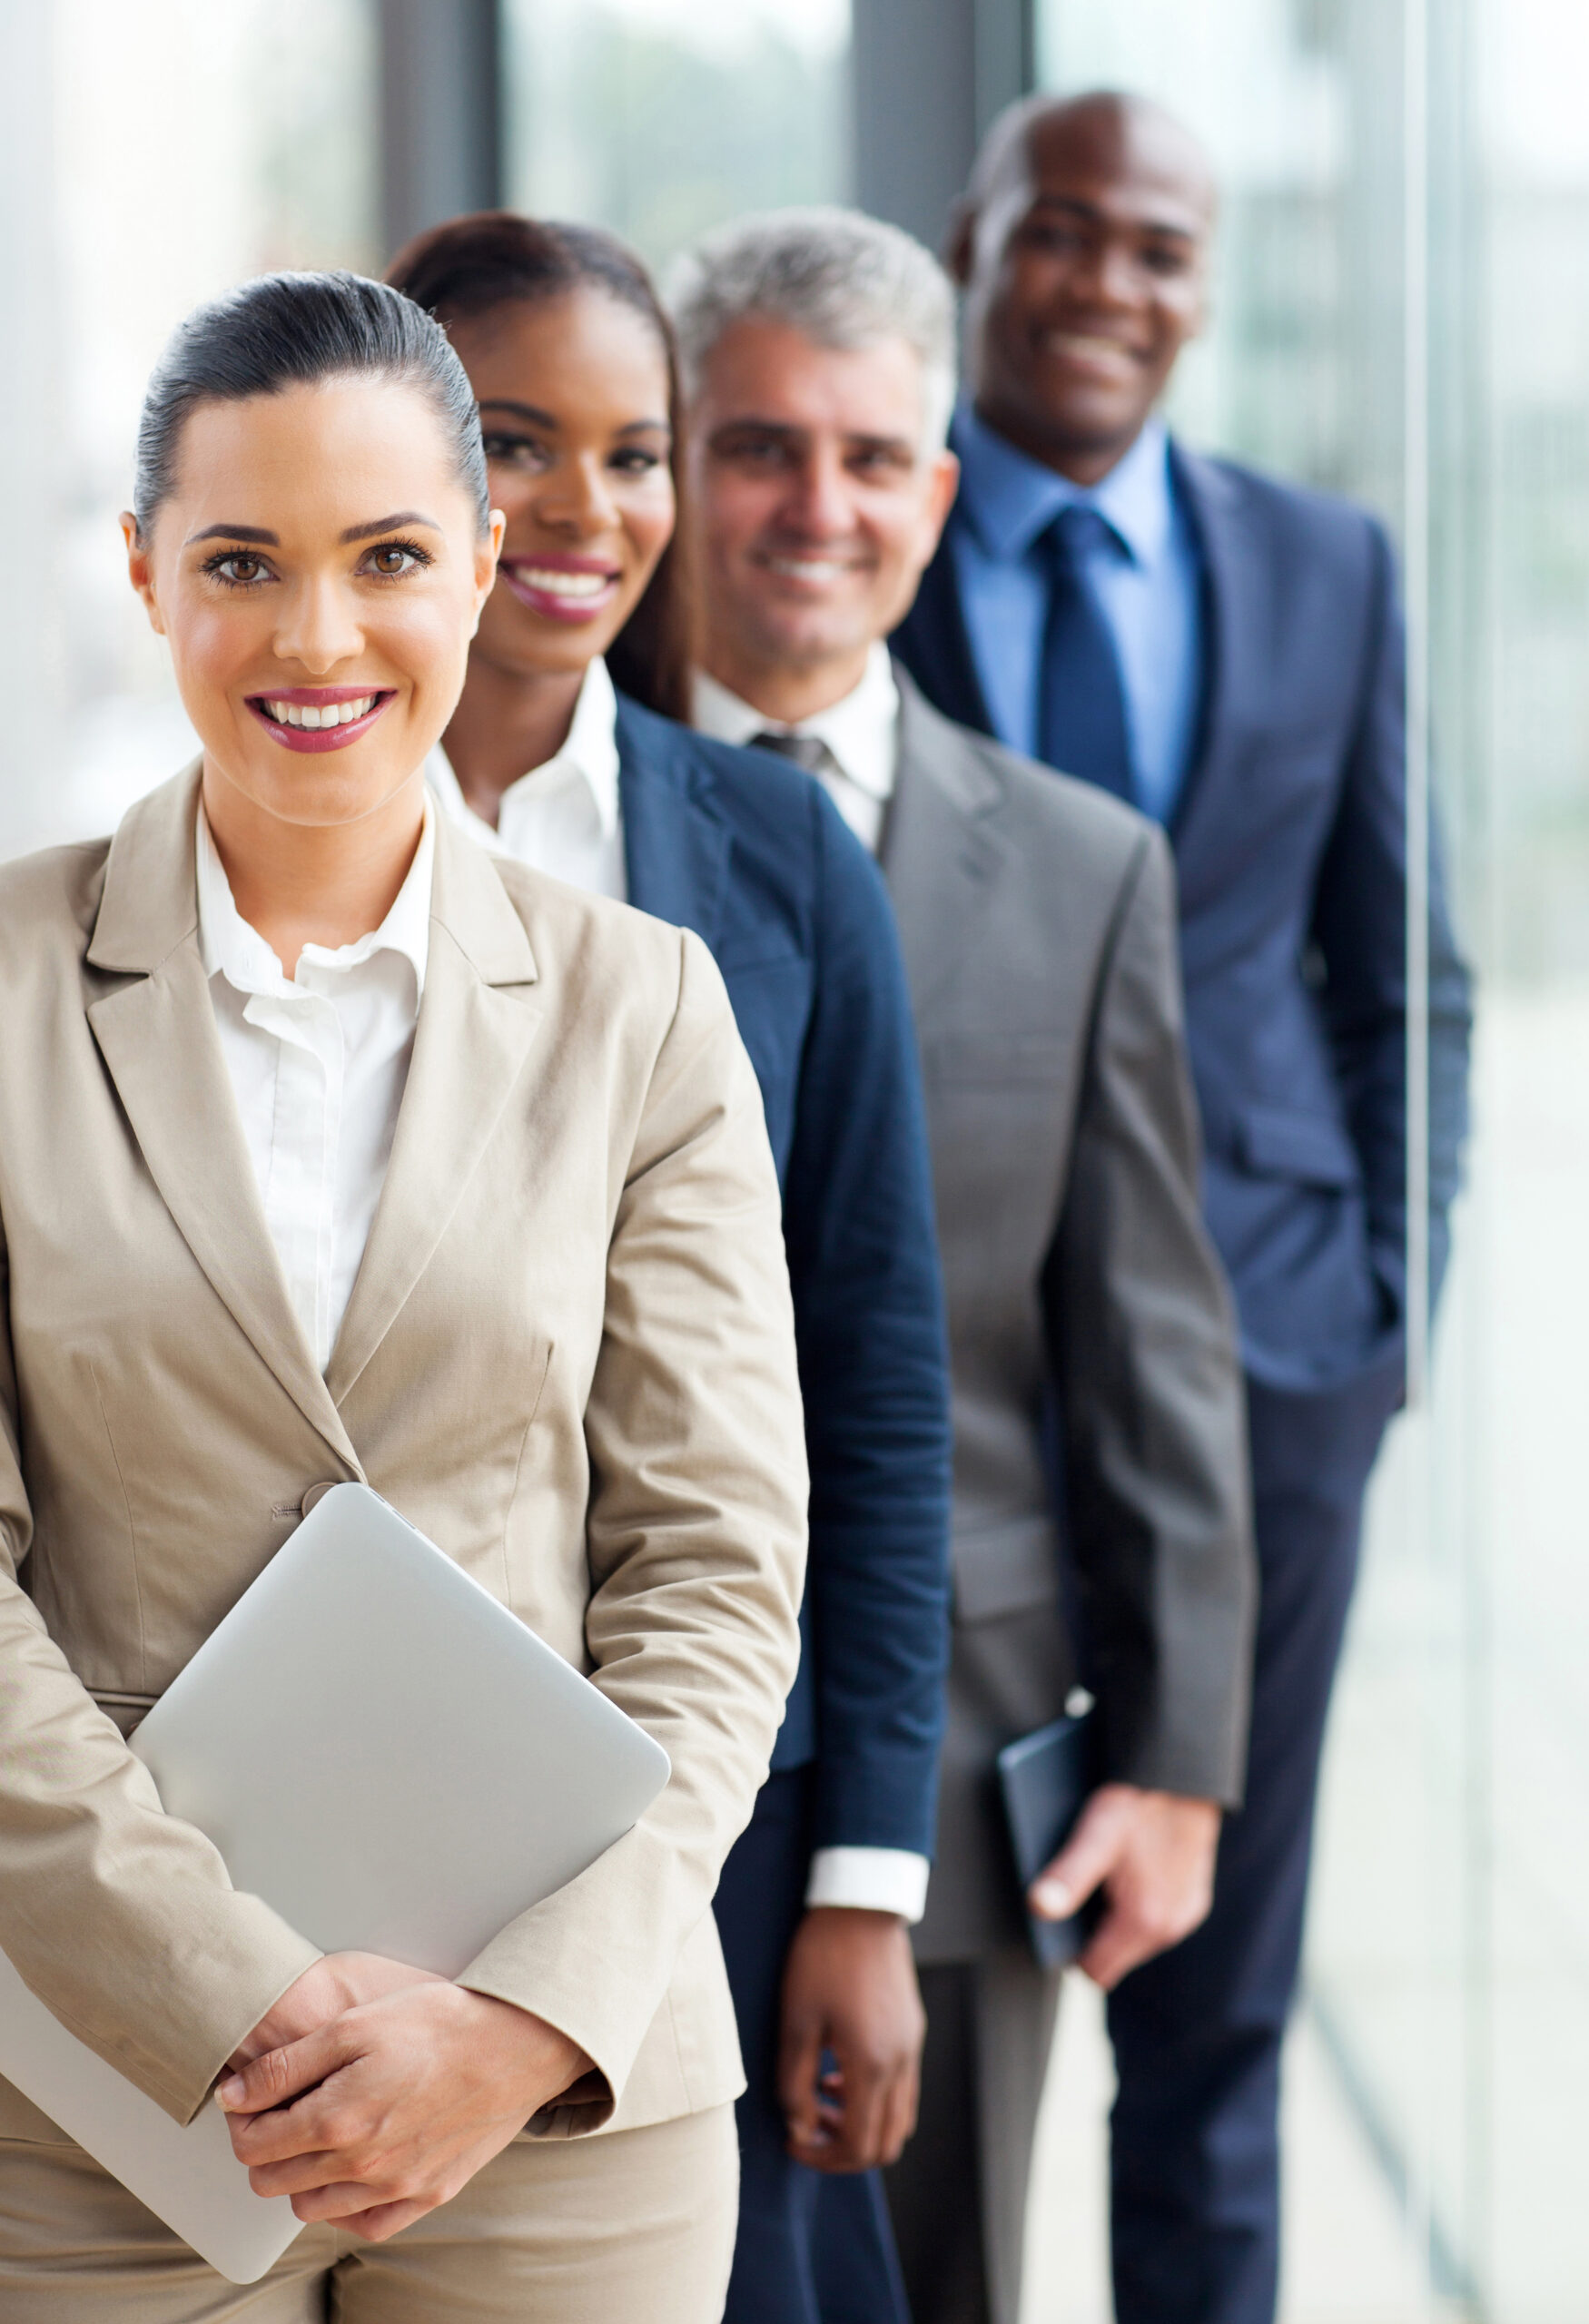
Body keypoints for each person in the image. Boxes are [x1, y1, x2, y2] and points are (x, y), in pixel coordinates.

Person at [0, 269, 812, 2323]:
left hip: (557, 2094)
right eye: (241, 560)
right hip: (91, 2088)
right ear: (145, 572)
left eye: (389, 558)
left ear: (487, 568)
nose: (316, 637)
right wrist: (227, 1990)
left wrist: (509, 2024)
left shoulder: (643, 1006)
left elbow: (714, 1573)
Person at [891, 93, 1474, 2324]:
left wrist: (1382, 1308)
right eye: (1062, 234)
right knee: (928, 2006)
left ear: (1198, 284)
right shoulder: (861, 528)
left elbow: (1397, 969)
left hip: (1268, 1378)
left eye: (1156, 249)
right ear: (972, 243)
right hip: (947, 1385)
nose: (1107, 286)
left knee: (1217, 2021)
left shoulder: (1324, 563)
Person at [668, 205, 1257, 2324]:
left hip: (956, 1744)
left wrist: (1177, 1757)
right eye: (752, 446)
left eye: (864, 456)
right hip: (613, 1743)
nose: (811, 507)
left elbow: (1151, 1349)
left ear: (932, 490)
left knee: (945, 2286)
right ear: (670, 458)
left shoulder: (1086, 869)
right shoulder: (549, 820)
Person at [384, 215, 952, 2324]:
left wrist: (862, 1880)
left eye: (636, 452)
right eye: (506, 437)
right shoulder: (249, 841)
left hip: (719, 1802)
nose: (582, 508)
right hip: (346, 1784)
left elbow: (874, 1379)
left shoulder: (777, 858)